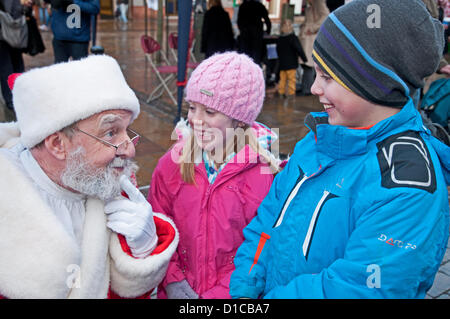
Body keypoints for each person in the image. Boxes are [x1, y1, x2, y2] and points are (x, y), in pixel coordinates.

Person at [230, 0, 450, 299]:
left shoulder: (406, 187)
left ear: (375, 84)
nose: (315, 89)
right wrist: (246, 284)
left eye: (328, 77)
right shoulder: (318, 141)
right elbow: (269, 218)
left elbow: (359, 289)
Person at [0, 55, 178, 298]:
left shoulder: (114, 186)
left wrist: (142, 251)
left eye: (127, 130)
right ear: (57, 144)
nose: (130, 149)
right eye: (110, 132)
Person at [148, 52, 281, 299]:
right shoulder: (173, 164)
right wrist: (172, 279)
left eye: (209, 111)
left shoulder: (266, 175)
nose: (195, 120)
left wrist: (220, 294)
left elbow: (263, 246)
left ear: (239, 122)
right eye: (192, 107)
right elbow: (157, 224)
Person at [0, 0, 32, 122]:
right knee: (8, 67)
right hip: (6, 31)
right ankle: (12, 102)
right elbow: (12, 8)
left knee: (13, 65)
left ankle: (15, 99)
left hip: (11, 31)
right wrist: (22, 5)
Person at [297, 0, 329, 96]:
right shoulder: (311, 5)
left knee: (308, 64)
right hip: (306, 37)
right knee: (305, 64)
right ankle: (305, 87)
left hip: (311, 38)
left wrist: (311, 28)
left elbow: (325, 16)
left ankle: (307, 89)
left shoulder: (318, 2)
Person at [276, 19, 307, 97]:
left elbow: (278, 50)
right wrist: (304, 58)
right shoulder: (293, 37)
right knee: (292, 80)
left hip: (282, 64)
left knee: (282, 80)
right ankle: (291, 94)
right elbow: (299, 48)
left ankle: (281, 93)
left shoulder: (280, 39)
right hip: (291, 63)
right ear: (291, 27)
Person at [237, 0, 271, 65]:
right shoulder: (260, 6)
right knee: (256, 56)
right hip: (257, 34)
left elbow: (239, 21)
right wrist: (267, 31)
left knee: (245, 57)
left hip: (245, 34)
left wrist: (242, 30)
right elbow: (267, 20)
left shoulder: (243, 6)